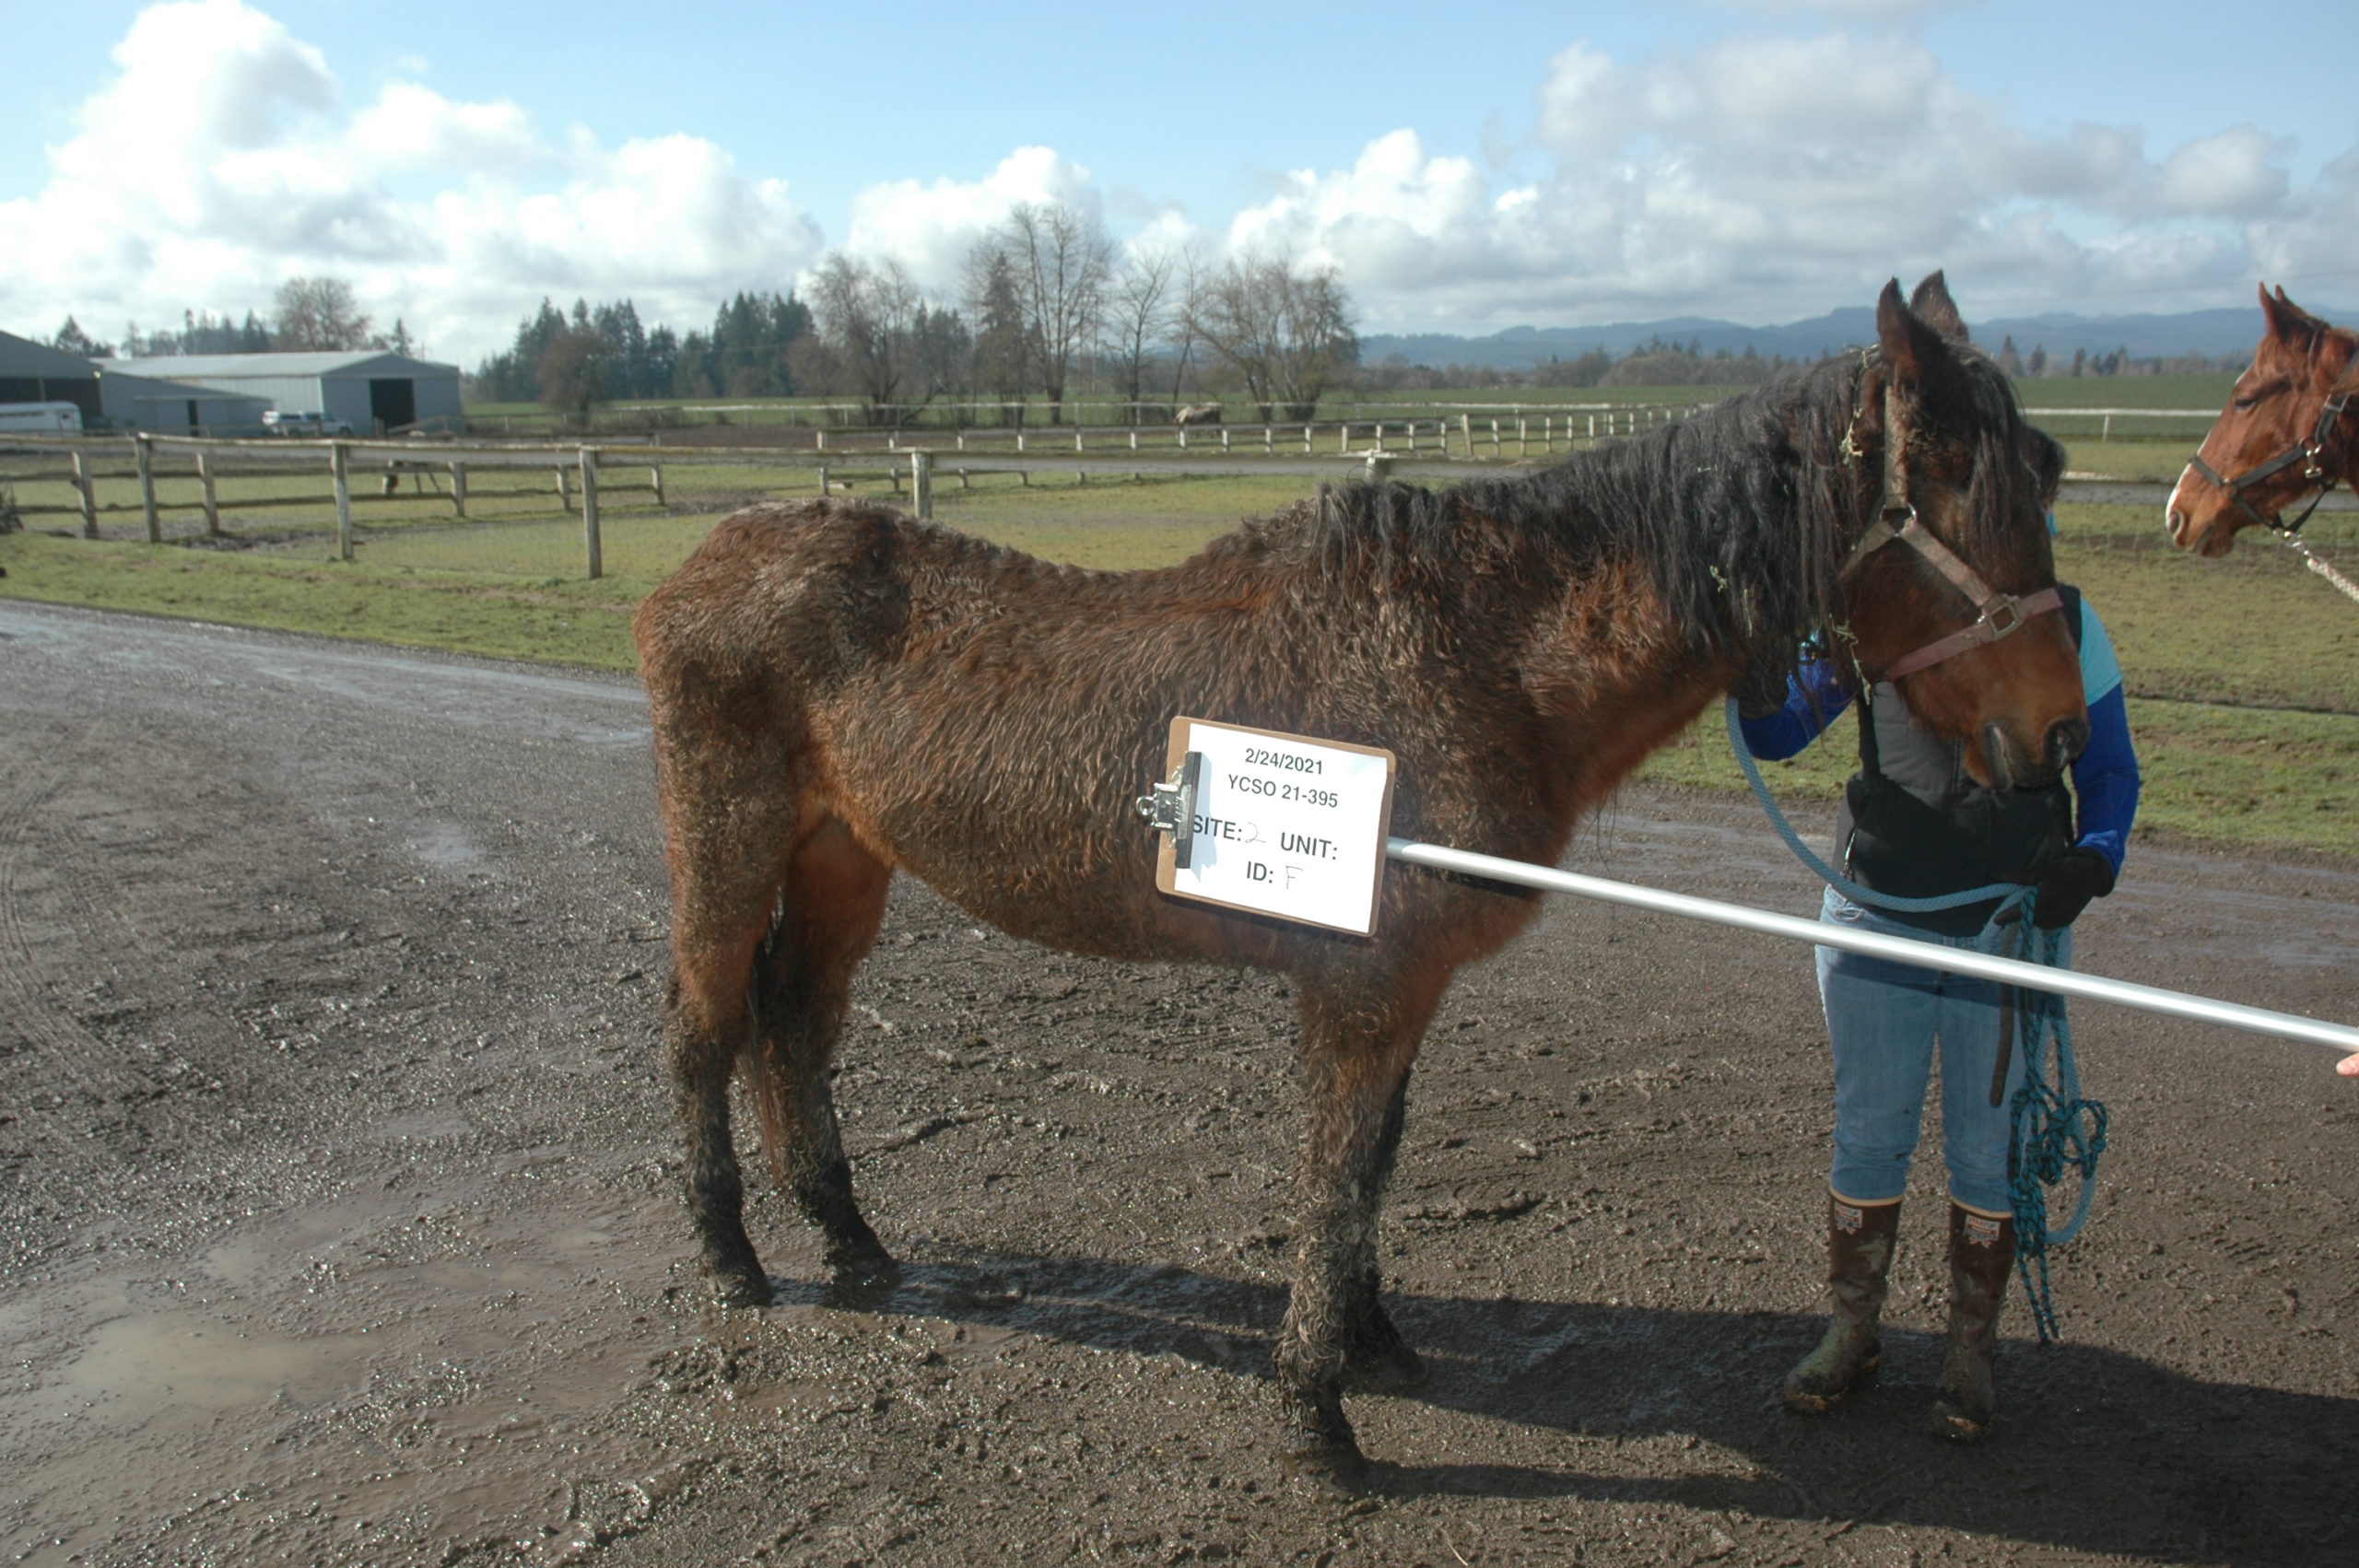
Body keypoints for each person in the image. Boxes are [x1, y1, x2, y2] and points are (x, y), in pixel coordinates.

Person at [1741, 579, 2140, 1442]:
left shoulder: (2069, 622)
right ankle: (1853, 1335)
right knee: (1868, 1133)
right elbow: (1777, 734)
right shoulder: (1870, 607)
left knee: (1987, 1154)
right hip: (1875, 914)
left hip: (2009, 924)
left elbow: (2109, 769)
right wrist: (1751, 661)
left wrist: (2097, 860)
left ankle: (1969, 1354)